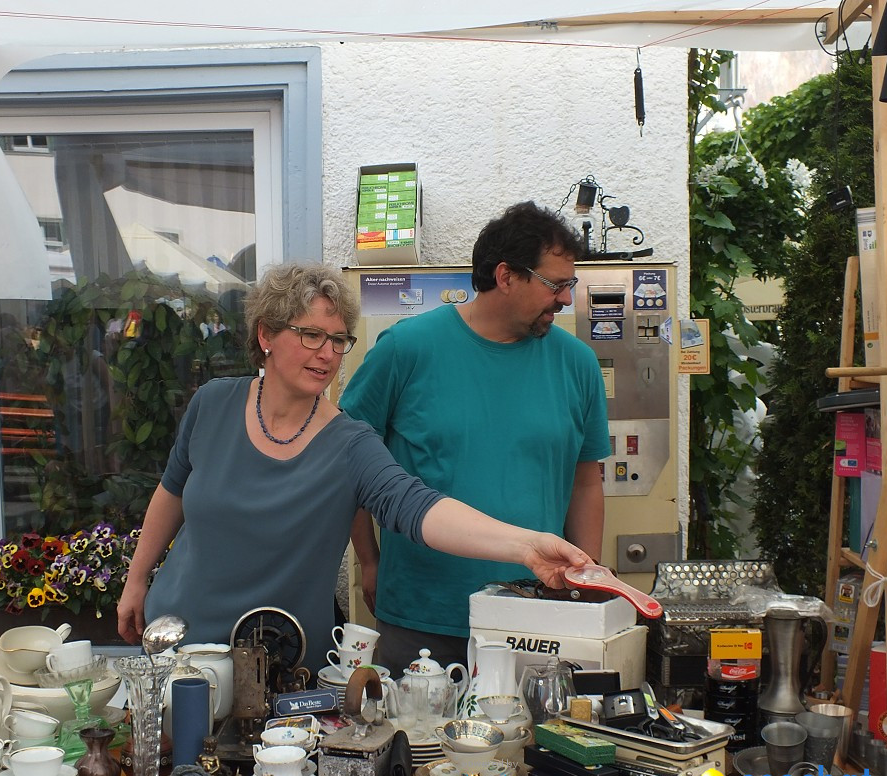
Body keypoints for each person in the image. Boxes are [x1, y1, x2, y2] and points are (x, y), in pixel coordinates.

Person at [116, 261, 594, 673]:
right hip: (178, 643)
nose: (326, 353)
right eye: (310, 335)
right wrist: (137, 580)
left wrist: (527, 546)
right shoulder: (212, 403)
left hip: (286, 665)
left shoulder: (349, 443)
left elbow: (421, 508)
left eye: (339, 340)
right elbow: (172, 491)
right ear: (266, 334)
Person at [340, 201, 610, 674]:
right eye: (556, 284)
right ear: (506, 276)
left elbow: (586, 483)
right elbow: (347, 463)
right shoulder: (406, 349)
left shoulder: (578, 364)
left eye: (571, 284)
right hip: (424, 616)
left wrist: (585, 586)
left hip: (536, 617)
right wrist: (368, 559)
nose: (566, 299)